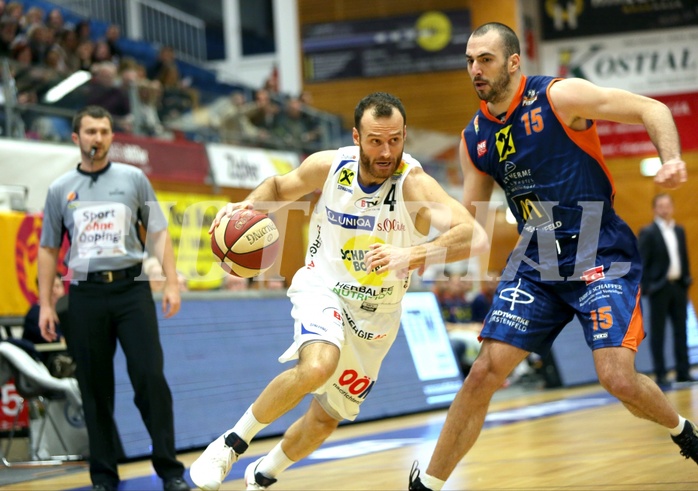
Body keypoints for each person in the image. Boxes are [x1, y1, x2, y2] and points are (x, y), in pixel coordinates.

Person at [408, 22, 694, 491]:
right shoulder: (474, 138)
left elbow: (652, 108)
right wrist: (425, 248)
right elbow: (473, 228)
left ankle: (685, 434)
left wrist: (671, 158)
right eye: (469, 61)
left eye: (486, 59)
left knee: (617, 379)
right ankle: (428, 485)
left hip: (599, 250)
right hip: (538, 261)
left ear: (514, 62)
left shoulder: (560, 97)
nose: (475, 70)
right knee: (483, 371)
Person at [189, 92, 489, 491]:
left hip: (378, 314)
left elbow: (475, 235)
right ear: (356, 137)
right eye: (376, 141)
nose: (387, 152)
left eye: (395, 140)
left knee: (324, 419)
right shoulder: (330, 167)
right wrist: (243, 206)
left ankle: (263, 474)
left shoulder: (413, 184)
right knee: (317, 366)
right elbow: (279, 188)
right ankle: (228, 446)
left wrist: (413, 254)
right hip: (323, 286)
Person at [37, 105, 190, 491]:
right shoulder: (60, 189)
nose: (98, 138)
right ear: (77, 138)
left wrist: (171, 282)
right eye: (90, 132)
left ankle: (169, 470)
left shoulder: (133, 178)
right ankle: (104, 477)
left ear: (111, 137)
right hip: (85, 295)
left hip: (131, 291)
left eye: (104, 131)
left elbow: (157, 231)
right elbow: (47, 249)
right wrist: (45, 303)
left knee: (150, 378)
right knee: (94, 387)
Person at [638, 193, 693, 386]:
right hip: (659, 289)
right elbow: (641, 262)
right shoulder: (648, 232)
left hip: (678, 286)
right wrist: (648, 288)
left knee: (681, 330)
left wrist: (686, 279)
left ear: (672, 207)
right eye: (660, 205)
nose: (665, 209)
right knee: (658, 332)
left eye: (668, 205)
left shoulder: (679, 229)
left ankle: (683, 372)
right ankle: (660, 373)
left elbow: (683, 256)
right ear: (654, 209)